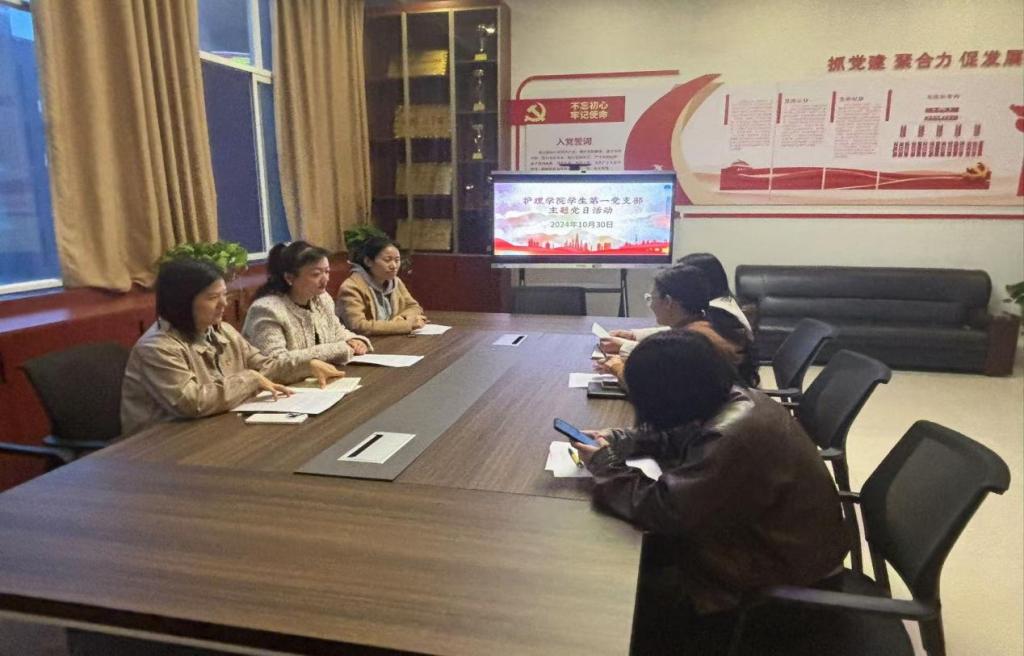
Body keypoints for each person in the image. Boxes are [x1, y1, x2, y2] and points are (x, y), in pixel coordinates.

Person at [573, 331, 849, 652]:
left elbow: (664, 510)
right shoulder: (735, 398)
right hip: (768, 548)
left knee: (611, 600)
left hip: (776, 586)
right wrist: (626, 441)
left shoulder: (731, 436)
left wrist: (606, 464)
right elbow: (683, 435)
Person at [120, 259, 344, 436]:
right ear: (182, 302)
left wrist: (306, 365)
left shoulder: (223, 331)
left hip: (214, 429)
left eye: (224, 295)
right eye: (212, 298)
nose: (224, 304)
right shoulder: (157, 346)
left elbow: (264, 366)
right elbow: (191, 402)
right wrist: (250, 379)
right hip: (160, 446)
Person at [594, 265, 750, 384]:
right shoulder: (703, 323)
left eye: (651, 299)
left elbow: (650, 389)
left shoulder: (690, 341)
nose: (651, 305)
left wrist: (617, 368)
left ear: (668, 302)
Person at [243, 241, 372, 368]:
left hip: (320, 376)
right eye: (316, 274)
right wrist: (339, 349)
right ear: (289, 278)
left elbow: (336, 331)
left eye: (327, 271)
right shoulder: (266, 309)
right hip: (281, 382)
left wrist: (354, 340)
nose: (325, 279)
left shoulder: (322, 299)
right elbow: (274, 362)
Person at [335, 236, 427, 336]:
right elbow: (358, 326)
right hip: (366, 342)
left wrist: (403, 317)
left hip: (392, 339)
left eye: (397, 260)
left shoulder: (395, 282)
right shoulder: (352, 287)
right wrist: (406, 325)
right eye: (387, 260)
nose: (394, 266)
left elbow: (414, 306)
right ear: (368, 261)